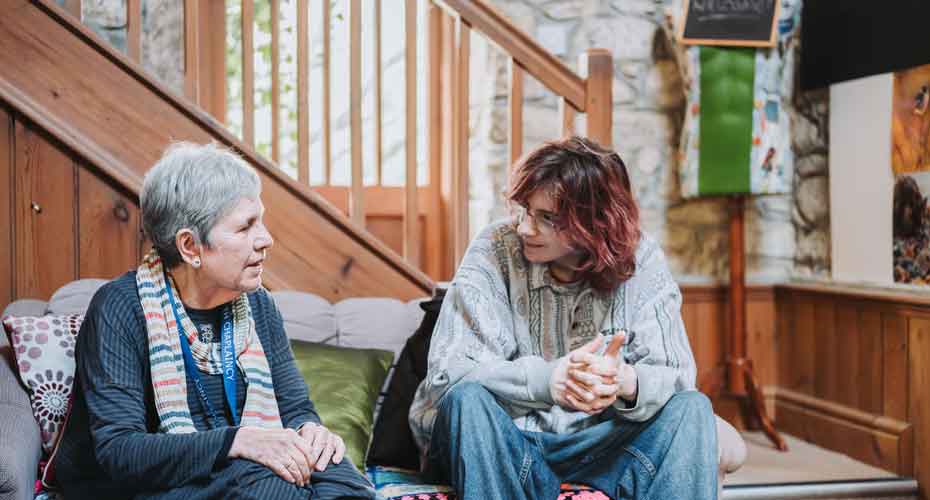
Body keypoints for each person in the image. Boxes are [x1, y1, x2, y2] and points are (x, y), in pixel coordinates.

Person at [54, 143, 380, 499]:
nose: (266, 239)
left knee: (336, 469)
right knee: (263, 482)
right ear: (190, 247)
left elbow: (295, 409)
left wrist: (310, 431)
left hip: (233, 472)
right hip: (140, 486)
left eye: (262, 220)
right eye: (245, 228)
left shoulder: (258, 306)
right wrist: (238, 440)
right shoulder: (120, 308)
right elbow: (120, 451)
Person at [409, 136, 719, 500]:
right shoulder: (494, 247)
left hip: (601, 447)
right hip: (509, 441)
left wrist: (625, 381)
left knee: (693, 409)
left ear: (594, 222)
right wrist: (548, 380)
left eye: (546, 218)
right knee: (467, 401)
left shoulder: (643, 259)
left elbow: (679, 377)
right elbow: (448, 376)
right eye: (523, 209)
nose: (525, 227)